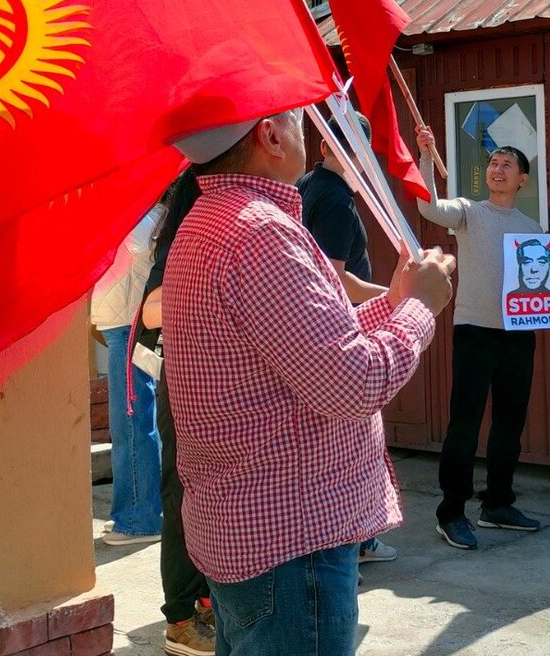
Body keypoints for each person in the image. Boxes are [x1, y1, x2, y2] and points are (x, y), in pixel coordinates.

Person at [161, 111, 455, 655]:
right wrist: (418, 310)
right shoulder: (260, 232)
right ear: (269, 136)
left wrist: (393, 304)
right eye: (297, 121)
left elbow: (309, 349)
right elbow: (352, 382)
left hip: (251, 531)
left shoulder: (212, 221)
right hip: (291, 544)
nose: (310, 134)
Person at [416, 126, 550, 550]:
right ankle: (452, 512)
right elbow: (428, 206)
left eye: (507, 165)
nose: (497, 169)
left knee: (510, 424)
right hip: (475, 331)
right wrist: (426, 157)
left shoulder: (532, 227)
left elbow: (538, 284)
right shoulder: (468, 212)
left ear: (522, 180)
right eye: (493, 164)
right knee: (466, 423)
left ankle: (497, 503)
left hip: (518, 334)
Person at [295, 110, 398, 565]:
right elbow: (335, 281)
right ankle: (353, 542)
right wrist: (402, 297)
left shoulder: (308, 186)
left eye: (361, 145)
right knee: (353, 447)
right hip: (340, 335)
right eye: (347, 144)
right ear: (325, 148)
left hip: (313, 334)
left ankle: (360, 538)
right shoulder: (334, 199)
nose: (357, 154)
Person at [136, 170, 215, 656]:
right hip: (185, 385)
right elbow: (150, 312)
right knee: (182, 496)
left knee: (210, 497)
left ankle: (207, 603)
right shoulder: (184, 242)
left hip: (213, 392)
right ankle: (182, 618)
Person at [92, 208, 164, 546]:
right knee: (128, 424)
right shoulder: (141, 207)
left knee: (132, 423)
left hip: (128, 324)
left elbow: (136, 241)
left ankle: (140, 518)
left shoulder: (145, 209)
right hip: (117, 323)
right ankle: (135, 510)